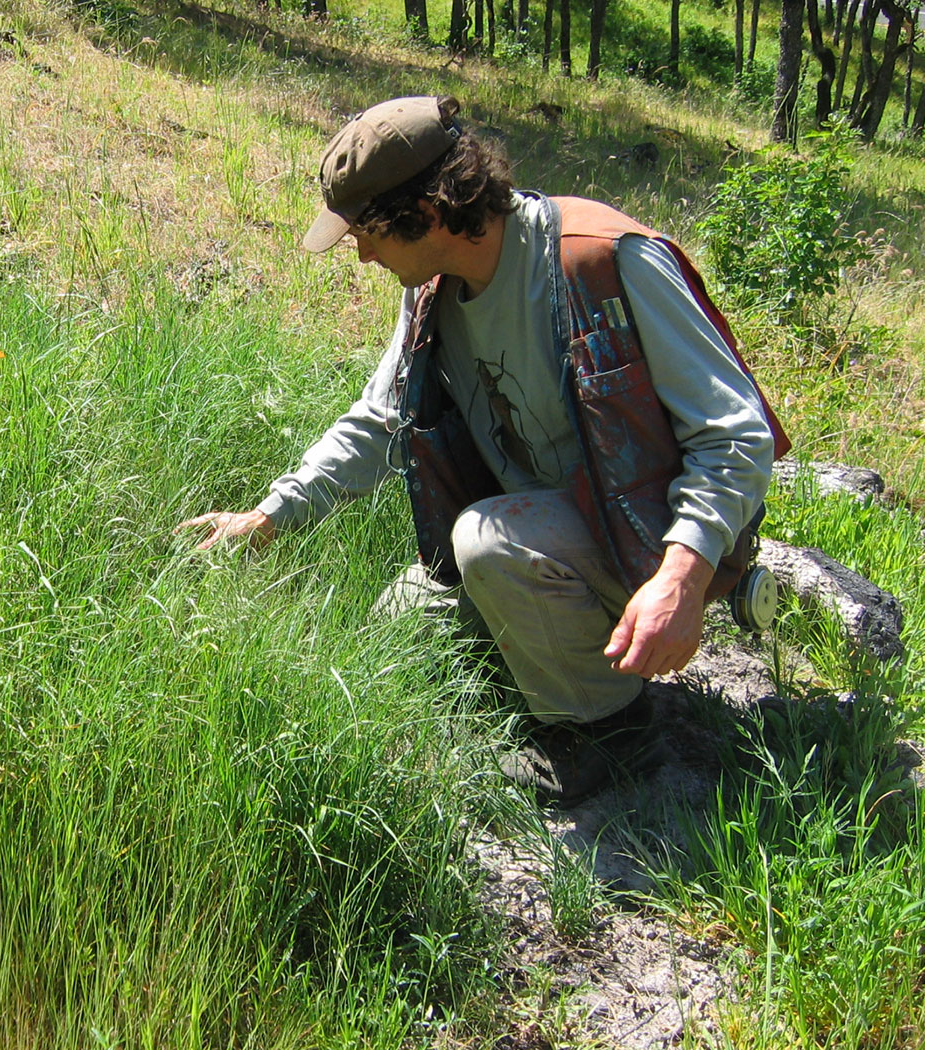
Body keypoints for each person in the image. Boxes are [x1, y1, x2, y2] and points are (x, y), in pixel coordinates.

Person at [176, 95, 786, 805]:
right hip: (556, 532)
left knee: (484, 543)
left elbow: (737, 436)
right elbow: (379, 422)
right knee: (397, 635)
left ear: (429, 214)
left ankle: (611, 734)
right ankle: (565, 657)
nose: (365, 255)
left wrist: (681, 581)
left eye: (370, 233)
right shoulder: (431, 285)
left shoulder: (603, 261)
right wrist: (270, 516)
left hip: (654, 543)